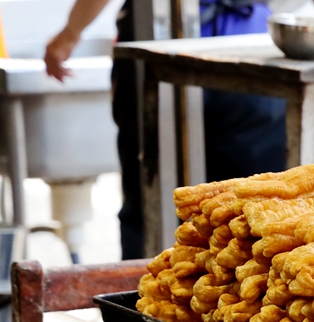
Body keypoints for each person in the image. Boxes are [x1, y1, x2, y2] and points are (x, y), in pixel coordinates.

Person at [45, 0, 287, 259]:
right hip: (249, 44)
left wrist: (70, 33)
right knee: (250, 208)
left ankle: (150, 294)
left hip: (158, 45)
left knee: (155, 207)